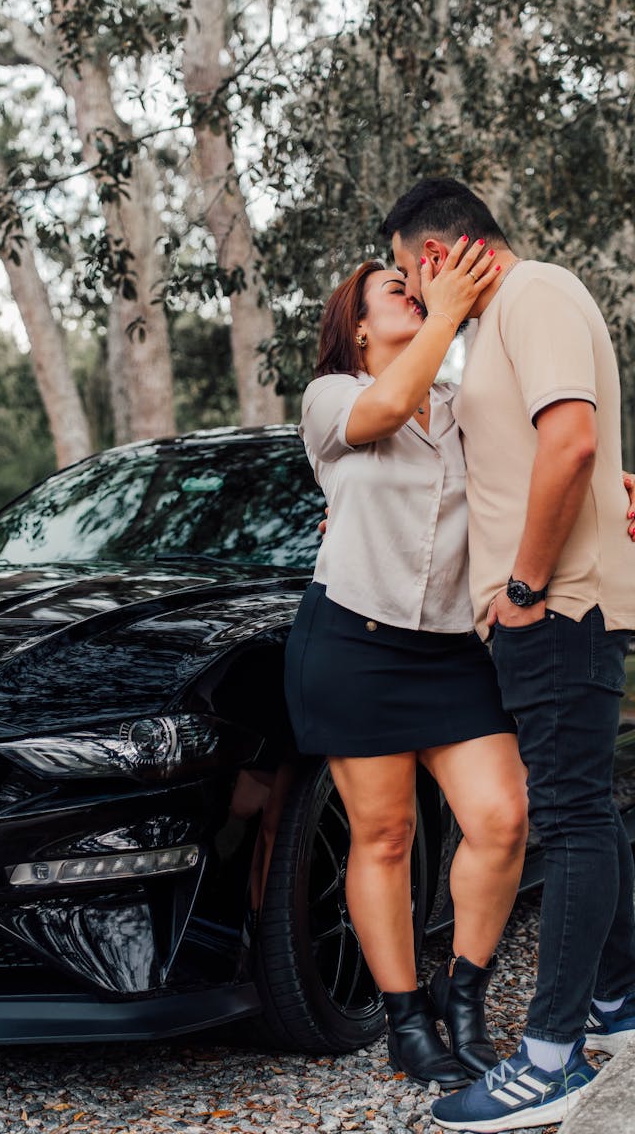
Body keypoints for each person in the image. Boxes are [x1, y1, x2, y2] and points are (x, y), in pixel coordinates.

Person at [381, 178, 635, 1132]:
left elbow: (569, 444)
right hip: (550, 611)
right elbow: (550, 454)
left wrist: (524, 591)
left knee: (568, 821)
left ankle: (550, 1060)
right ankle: (621, 1001)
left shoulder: (537, 294)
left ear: (436, 254)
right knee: (588, 811)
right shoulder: (504, 323)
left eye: (408, 272)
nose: (413, 290)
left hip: (557, 609)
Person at [284, 237, 531, 1088]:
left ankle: (464, 996)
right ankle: (404, 1018)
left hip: (454, 650)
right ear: (357, 328)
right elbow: (387, 409)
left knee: (502, 818)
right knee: (384, 836)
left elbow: (532, 469)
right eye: (397, 287)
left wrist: (613, 488)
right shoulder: (332, 397)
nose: (417, 290)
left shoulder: (466, 406)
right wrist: (450, 313)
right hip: (353, 642)